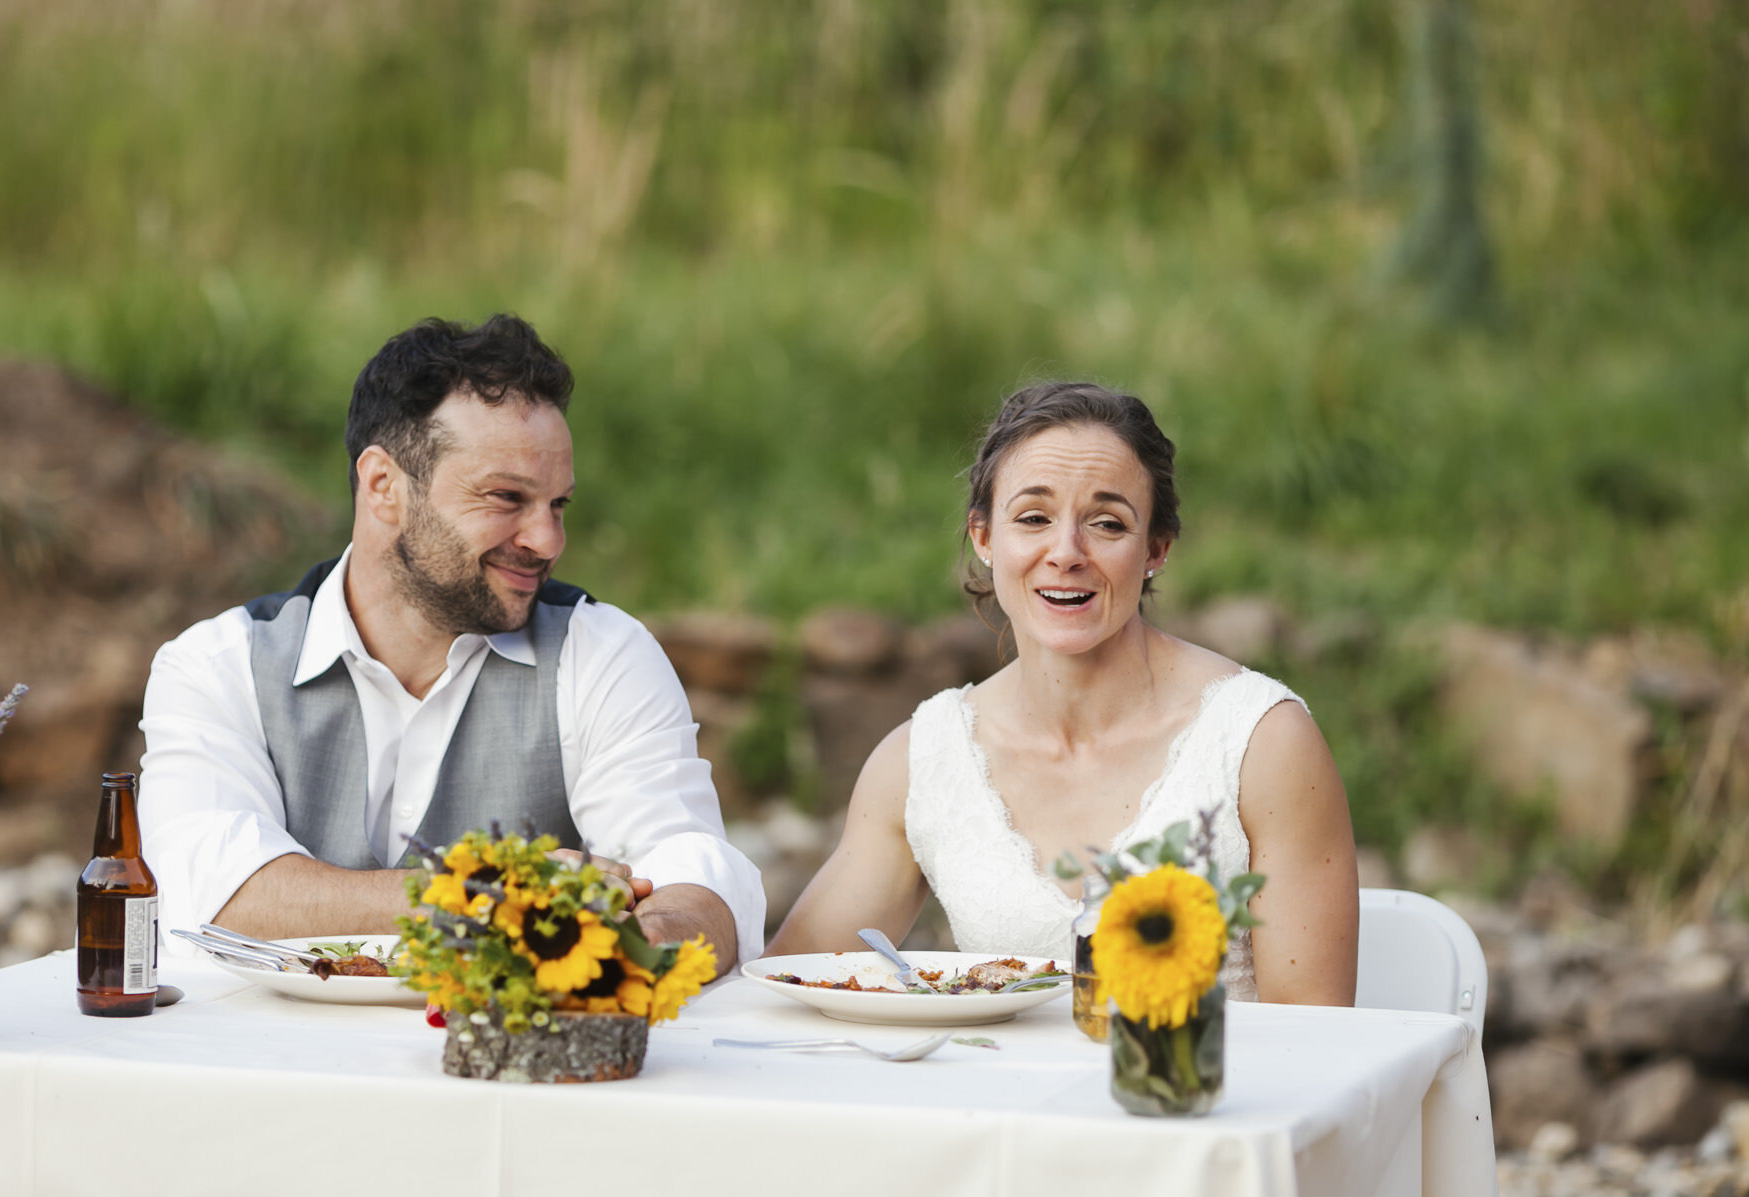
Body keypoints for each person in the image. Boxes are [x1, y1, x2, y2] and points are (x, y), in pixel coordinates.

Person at [138, 314, 762, 972]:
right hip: (261, 1068)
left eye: (558, 505)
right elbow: (210, 893)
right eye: (506, 497)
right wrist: (492, 896)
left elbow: (696, 880)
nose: (547, 540)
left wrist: (655, 934)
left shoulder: (603, 653)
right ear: (383, 486)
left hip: (513, 1072)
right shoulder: (217, 664)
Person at [768, 381, 1357, 1003]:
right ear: (985, 539)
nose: (1066, 553)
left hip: (1202, 1094)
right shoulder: (925, 759)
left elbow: (1318, 1042)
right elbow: (787, 984)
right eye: (1032, 518)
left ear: (1155, 549)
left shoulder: (1262, 743)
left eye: (1107, 523)